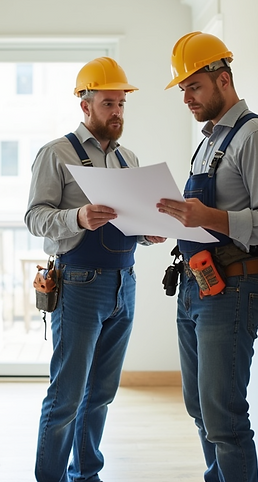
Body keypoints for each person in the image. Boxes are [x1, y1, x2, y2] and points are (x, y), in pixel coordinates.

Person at [26, 56, 165, 482]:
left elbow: (129, 220)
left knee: (101, 393)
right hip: (79, 284)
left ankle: (86, 476)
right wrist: (78, 217)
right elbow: (35, 217)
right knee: (67, 395)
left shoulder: (128, 158)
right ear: (85, 106)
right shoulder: (56, 153)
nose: (118, 112)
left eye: (122, 104)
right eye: (109, 103)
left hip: (126, 283)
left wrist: (148, 231)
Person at [156, 32, 258, 482]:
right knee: (199, 408)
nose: (186, 98)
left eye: (193, 86)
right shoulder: (210, 141)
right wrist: (172, 224)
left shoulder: (256, 137)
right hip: (197, 284)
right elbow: (202, 221)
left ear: (224, 79)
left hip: (234, 288)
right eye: (182, 89)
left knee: (223, 419)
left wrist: (206, 215)